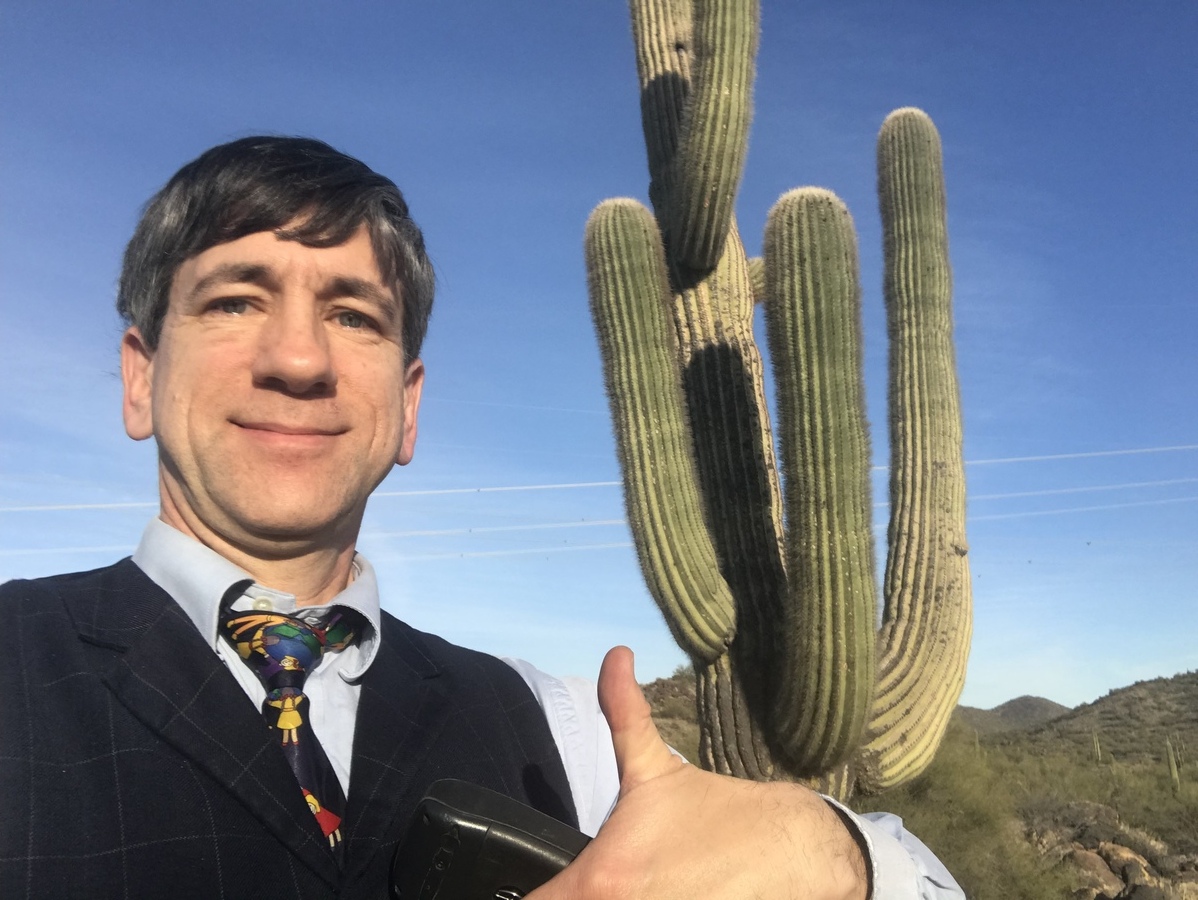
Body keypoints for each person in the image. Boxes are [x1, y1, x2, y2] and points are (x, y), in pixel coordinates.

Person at [0, 136, 963, 899]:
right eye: (236, 300)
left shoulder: (558, 729)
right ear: (139, 378)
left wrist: (831, 854)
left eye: (353, 316)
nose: (298, 359)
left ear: (408, 407)